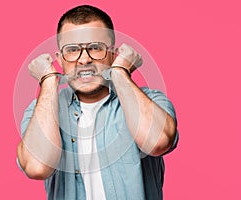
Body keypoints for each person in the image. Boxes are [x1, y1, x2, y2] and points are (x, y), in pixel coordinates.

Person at [17, 5, 178, 200]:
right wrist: (49, 80)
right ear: (60, 58)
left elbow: (158, 142)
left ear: (112, 54)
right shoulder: (40, 110)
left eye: (95, 47)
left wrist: (120, 73)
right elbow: (37, 167)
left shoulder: (150, 100)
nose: (84, 59)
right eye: (72, 50)